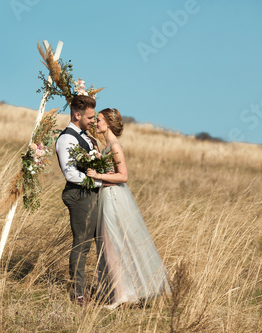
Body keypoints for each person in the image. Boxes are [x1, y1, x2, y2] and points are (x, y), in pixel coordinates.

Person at [86, 108, 171, 310]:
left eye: (98, 120)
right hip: (109, 196)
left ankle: (122, 295)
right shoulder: (108, 147)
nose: (96, 124)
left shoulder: (114, 146)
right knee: (112, 247)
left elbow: (123, 176)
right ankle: (126, 292)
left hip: (114, 198)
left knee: (111, 246)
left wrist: (97, 175)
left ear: (107, 123)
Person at [55, 95, 102, 305]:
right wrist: (98, 182)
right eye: (90, 117)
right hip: (79, 194)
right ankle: (78, 294)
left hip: (90, 193)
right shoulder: (66, 139)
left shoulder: (84, 136)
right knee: (81, 245)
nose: (92, 121)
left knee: (94, 243)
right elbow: (71, 174)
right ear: (77, 114)